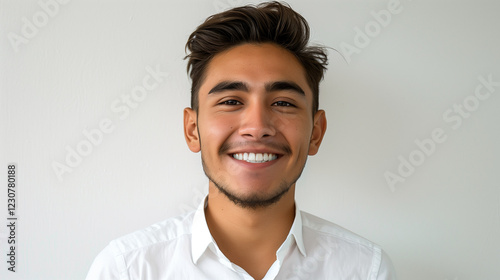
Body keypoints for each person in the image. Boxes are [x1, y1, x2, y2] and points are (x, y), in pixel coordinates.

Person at [85, 1, 397, 279]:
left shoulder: (364, 269)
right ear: (192, 129)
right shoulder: (127, 269)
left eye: (283, 103)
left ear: (315, 133)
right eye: (231, 101)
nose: (257, 127)